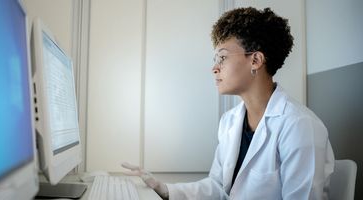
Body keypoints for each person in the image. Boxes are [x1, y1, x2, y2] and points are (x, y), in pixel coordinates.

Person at [122, 7, 334, 200]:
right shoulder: (230, 121)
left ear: (255, 61)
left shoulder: (299, 125)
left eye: (222, 57)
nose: (214, 68)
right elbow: (219, 188)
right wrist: (164, 189)